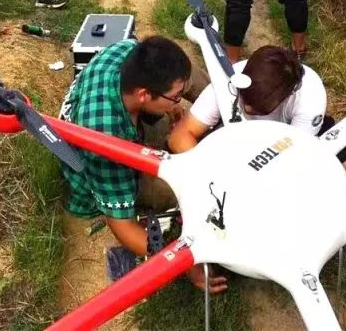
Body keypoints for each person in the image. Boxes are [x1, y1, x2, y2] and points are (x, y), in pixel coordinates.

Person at [62, 36, 226, 293]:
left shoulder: (126, 50)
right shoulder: (105, 141)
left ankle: (226, 109)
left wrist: (172, 105)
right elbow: (123, 225)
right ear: (143, 95)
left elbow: (176, 81)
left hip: (129, 118)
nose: (180, 100)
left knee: (185, 73)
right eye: (176, 97)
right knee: (180, 187)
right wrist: (183, 264)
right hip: (100, 167)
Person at [168, 45, 346, 178]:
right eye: (244, 100)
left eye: (258, 108)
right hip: (236, 131)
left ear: (287, 96)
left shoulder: (310, 98)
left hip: (292, 136)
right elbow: (178, 137)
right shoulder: (229, 80)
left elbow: (293, 162)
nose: (247, 109)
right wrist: (212, 172)